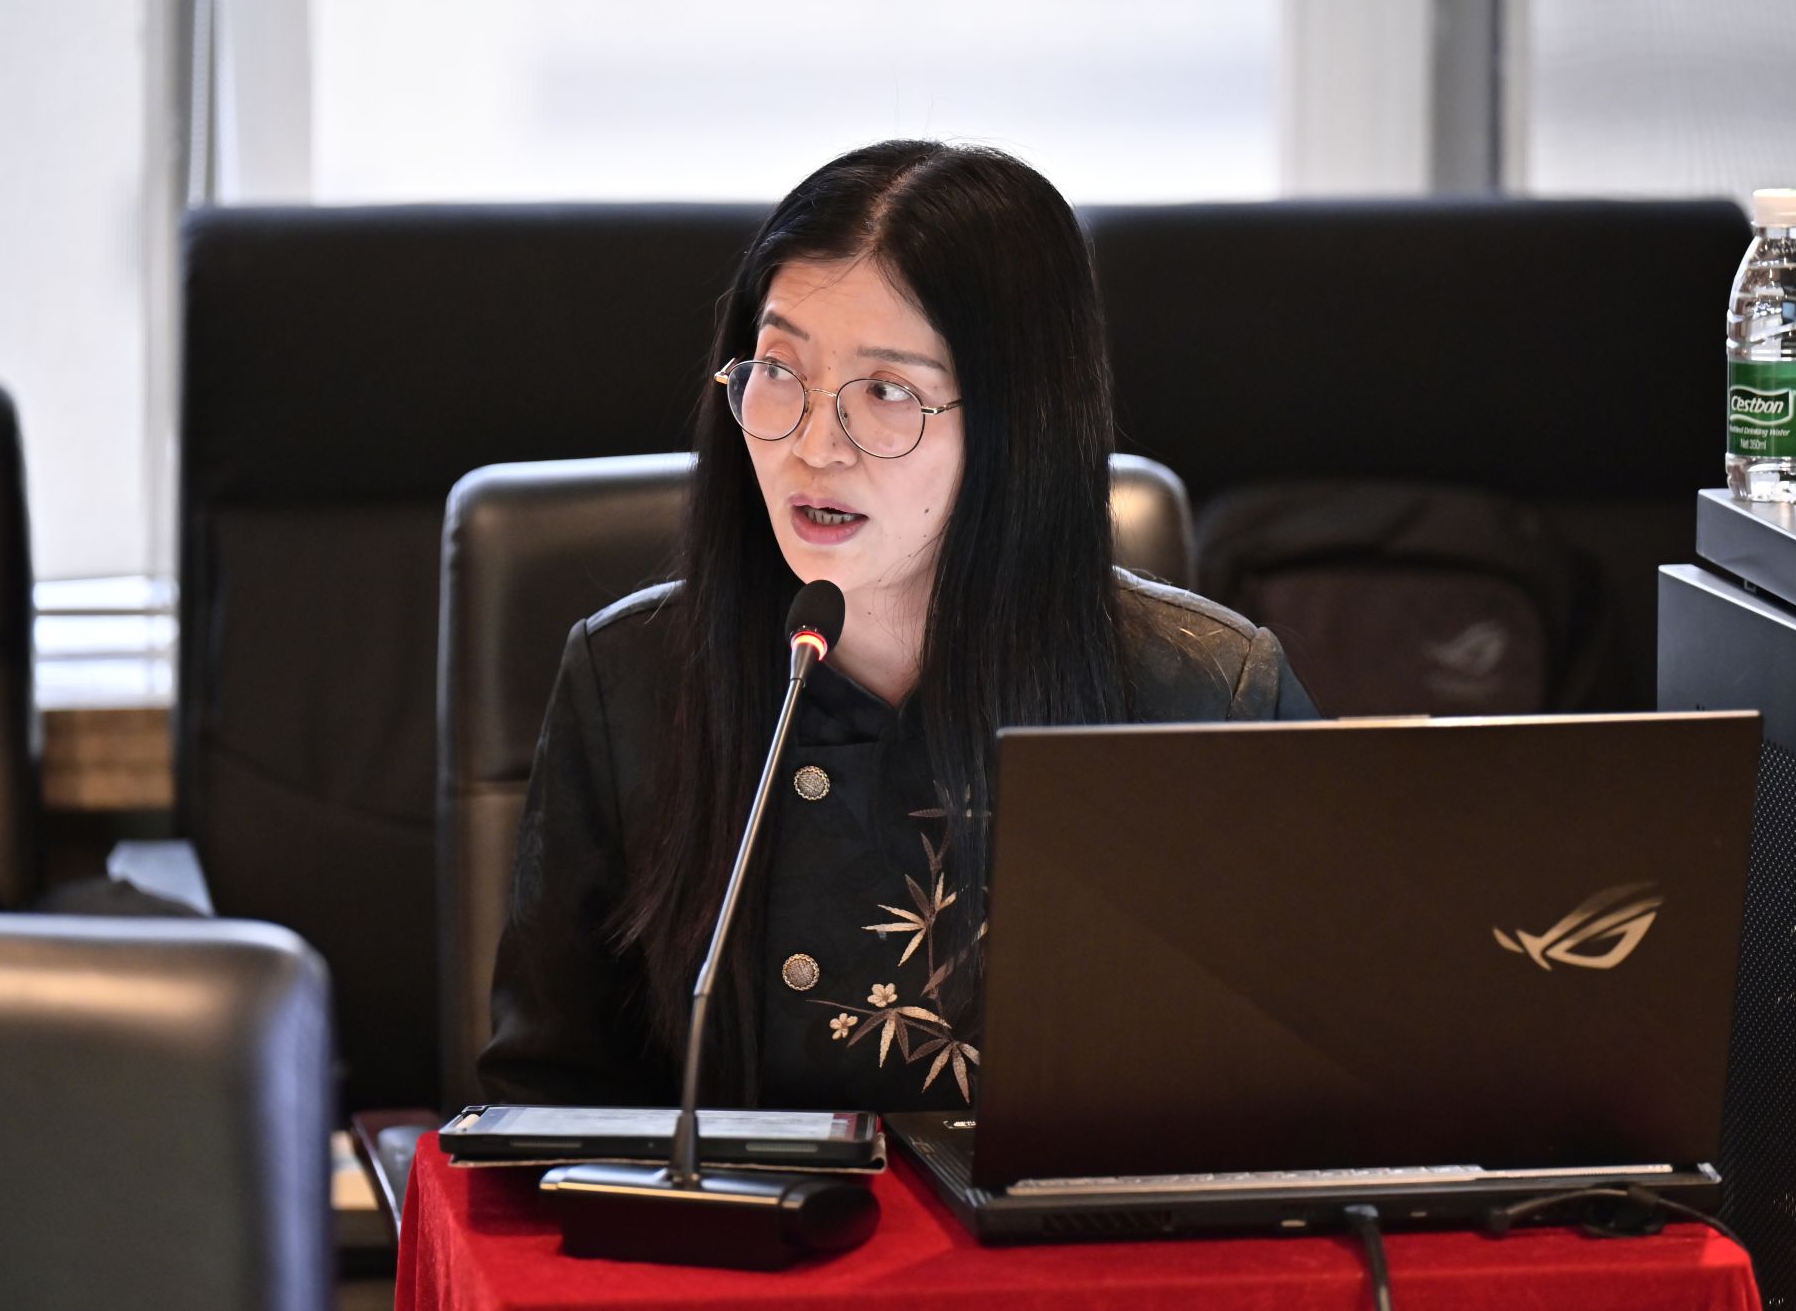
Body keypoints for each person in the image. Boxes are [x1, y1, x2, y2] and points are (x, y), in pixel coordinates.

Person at [480, 139, 1317, 1114]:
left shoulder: (1208, 695)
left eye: (885, 392)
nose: (813, 446)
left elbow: (1323, 1099)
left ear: (1018, 425)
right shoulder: (629, 681)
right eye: (778, 368)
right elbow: (542, 1112)